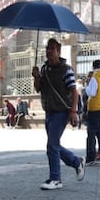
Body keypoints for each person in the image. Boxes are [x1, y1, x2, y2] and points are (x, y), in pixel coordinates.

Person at [32, 38, 85, 190]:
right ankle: (76, 162)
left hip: (61, 111)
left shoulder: (66, 69)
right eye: (47, 48)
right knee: (54, 145)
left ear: (58, 51)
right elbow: (38, 88)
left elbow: (74, 91)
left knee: (52, 145)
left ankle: (55, 178)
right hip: (49, 110)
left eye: (52, 49)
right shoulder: (44, 69)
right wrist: (36, 77)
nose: (49, 51)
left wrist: (73, 111)